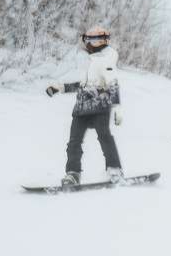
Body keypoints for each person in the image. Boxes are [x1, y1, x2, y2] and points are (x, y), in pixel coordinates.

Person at [46, 25, 123, 186]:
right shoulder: (90, 60)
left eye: (95, 40)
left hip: (100, 106)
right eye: (88, 40)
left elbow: (113, 83)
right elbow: (83, 84)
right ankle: (73, 174)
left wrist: (117, 108)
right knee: (74, 141)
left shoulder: (107, 59)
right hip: (81, 107)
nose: (91, 44)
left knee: (104, 137)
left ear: (103, 41)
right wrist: (60, 88)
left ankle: (115, 170)